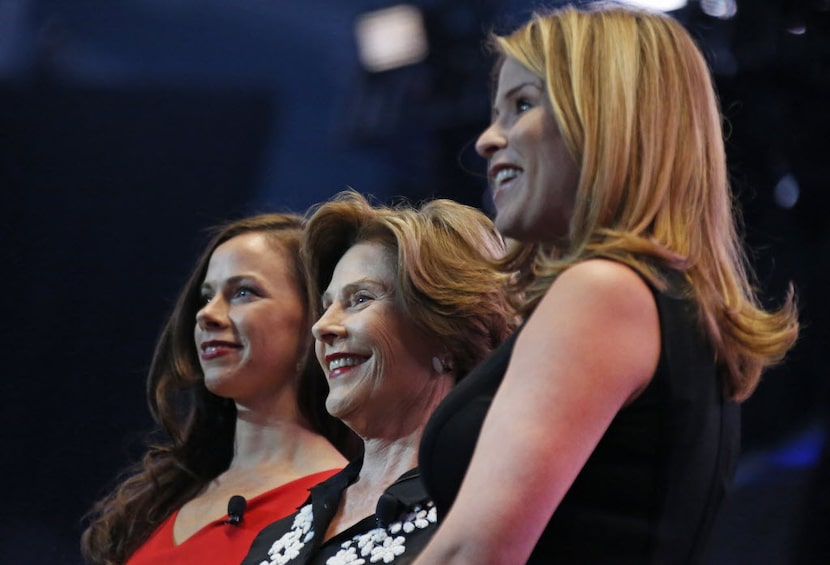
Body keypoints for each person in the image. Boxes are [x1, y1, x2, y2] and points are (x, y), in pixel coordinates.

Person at [414, 5, 800, 564]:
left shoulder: (603, 290)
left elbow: (475, 550)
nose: (487, 140)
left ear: (606, 121)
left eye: (522, 105)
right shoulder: (653, 296)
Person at [240, 190, 516, 565]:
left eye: (360, 299)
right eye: (327, 305)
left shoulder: (489, 517)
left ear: (447, 333)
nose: (322, 327)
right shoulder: (277, 536)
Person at [81, 213, 358, 565]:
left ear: (316, 321)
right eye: (206, 296)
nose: (206, 314)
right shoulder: (169, 492)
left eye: (243, 292)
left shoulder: (342, 503)